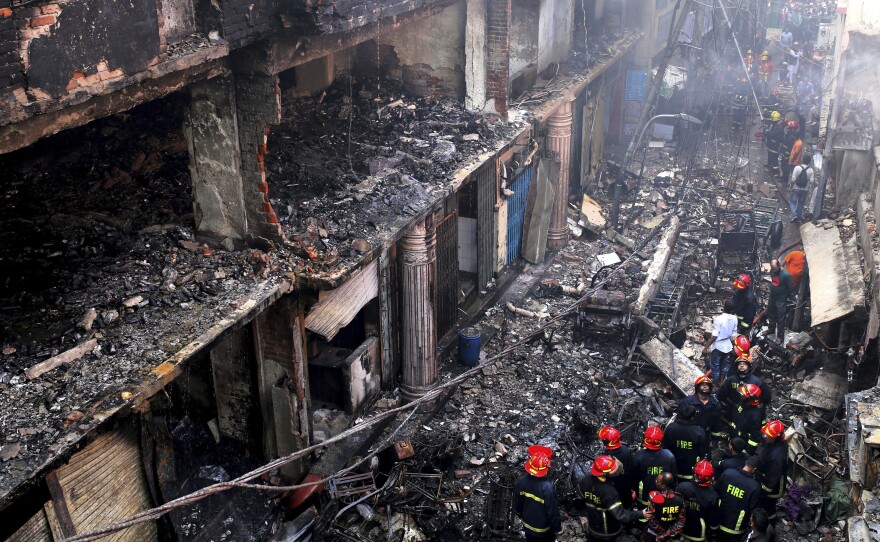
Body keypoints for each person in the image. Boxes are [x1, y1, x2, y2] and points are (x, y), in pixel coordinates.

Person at [579, 455, 645, 541]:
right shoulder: (608, 491)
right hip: (608, 532)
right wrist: (641, 513)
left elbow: (580, 499)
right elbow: (621, 515)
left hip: (593, 527)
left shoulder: (585, 481)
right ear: (604, 474)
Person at [515, 445, 563, 540]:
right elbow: (552, 512)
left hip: (527, 525)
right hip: (543, 530)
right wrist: (558, 529)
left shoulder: (522, 481)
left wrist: (519, 514)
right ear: (545, 470)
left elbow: (518, 502)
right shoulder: (547, 488)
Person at [714, 456, 762, 542]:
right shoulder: (755, 487)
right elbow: (752, 509)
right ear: (755, 470)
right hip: (736, 529)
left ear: (746, 463)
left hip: (718, 521)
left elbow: (715, 491)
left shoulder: (728, 473)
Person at [716, 357, 772, 428]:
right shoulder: (731, 380)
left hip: (752, 411)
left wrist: (757, 408)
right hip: (735, 411)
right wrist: (729, 407)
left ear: (748, 367)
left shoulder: (757, 381)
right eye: (740, 364)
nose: (741, 365)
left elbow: (767, 398)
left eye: (744, 364)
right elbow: (720, 395)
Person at [633, 426, 678, 507]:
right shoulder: (669, 455)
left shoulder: (639, 456)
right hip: (664, 498)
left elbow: (633, 478)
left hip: (644, 498)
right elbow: (674, 478)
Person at [662, 404, 709, 480]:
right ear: (693, 417)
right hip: (691, 472)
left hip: (672, 470)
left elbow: (664, 448)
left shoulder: (671, 428)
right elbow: (703, 453)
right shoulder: (699, 432)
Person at [677, 460, 719, 542]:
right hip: (699, 533)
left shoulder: (682, 487)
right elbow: (713, 520)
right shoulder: (713, 495)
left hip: (679, 530)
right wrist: (714, 532)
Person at [677, 376, 724, 444]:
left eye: (707, 385)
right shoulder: (688, 402)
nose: (705, 386)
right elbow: (679, 419)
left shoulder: (715, 405)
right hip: (688, 434)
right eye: (702, 384)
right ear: (697, 387)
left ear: (710, 388)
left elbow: (717, 424)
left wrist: (715, 440)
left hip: (704, 437)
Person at [757, 420, 789, 520]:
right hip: (768, 476)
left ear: (776, 437)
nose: (765, 437)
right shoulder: (776, 442)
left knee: (768, 508)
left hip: (773, 488)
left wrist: (763, 492)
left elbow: (772, 480)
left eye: (768, 436)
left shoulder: (776, 457)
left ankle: (770, 524)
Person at [598, 425, 636, 508]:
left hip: (612, 494)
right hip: (626, 491)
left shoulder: (606, 457)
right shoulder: (626, 450)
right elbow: (632, 470)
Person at [641, 472, 686, 542]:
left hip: (654, 534)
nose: (655, 481)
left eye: (657, 481)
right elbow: (681, 522)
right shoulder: (680, 499)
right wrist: (667, 534)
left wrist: (662, 534)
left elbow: (651, 520)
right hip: (671, 535)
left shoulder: (654, 498)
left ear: (662, 486)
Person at [702, 299, 738, 383]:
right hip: (728, 346)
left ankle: (714, 383)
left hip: (718, 346)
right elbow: (733, 336)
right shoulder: (734, 319)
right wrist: (733, 347)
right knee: (724, 365)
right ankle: (721, 382)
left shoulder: (718, 319)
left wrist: (705, 348)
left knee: (715, 366)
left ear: (724, 307)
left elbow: (714, 335)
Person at [730, 383, 764, 453]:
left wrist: (747, 451)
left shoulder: (755, 416)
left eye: (743, 396)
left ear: (750, 399)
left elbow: (755, 437)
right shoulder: (743, 403)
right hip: (735, 435)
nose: (741, 396)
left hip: (742, 443)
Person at [767, 259, 793, 342]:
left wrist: (785, 295)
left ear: (779, 265)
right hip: (772, 296)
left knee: (780, 318)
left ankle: (780, 337)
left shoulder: (786, 274)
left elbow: (791, 287)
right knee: (771, 314)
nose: (774, 270)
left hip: (781, 299)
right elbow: (773, 281)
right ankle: (771, 330)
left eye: (775, 268)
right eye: (772, 268)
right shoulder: (772, 271)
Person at [789, 155, 814, 222]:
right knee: (801, 204)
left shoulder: (797, 168)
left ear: (802, 160)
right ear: (809, 162)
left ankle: (795, 215)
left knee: (792, 202)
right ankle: (798, 218)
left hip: (796, 188)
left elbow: (793, 179)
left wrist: (791, 186)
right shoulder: (811, 170)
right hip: (805, 190)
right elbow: (812, 181)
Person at [764, 112, 784, 180]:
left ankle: (776, 173)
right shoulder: (773, 126)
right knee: (770, 158)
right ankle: (770, 169)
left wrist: (767, 132)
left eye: (773, 121)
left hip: (775, 147)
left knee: (775, 161)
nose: (772, 122)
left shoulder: (780, 129)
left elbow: (772, 134)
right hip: (770, 146)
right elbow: (769, 133)